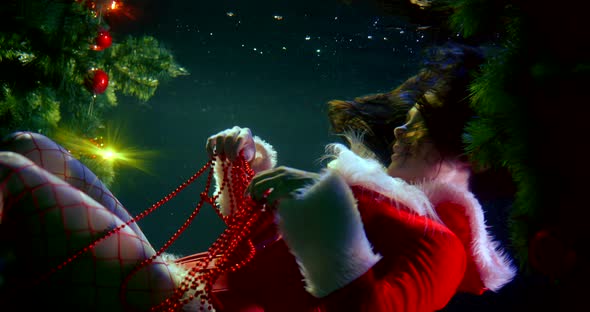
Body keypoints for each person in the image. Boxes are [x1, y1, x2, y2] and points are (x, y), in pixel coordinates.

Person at [0, 43, 515, 311]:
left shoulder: (442, 248)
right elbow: (258, 243)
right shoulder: (370, 193)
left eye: (420, 120)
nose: (401, 128)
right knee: (30, 148)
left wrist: (317, 209)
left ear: (463, 148)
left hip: (197, 306)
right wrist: (249, 164)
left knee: (11, 174)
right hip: (188, 281)